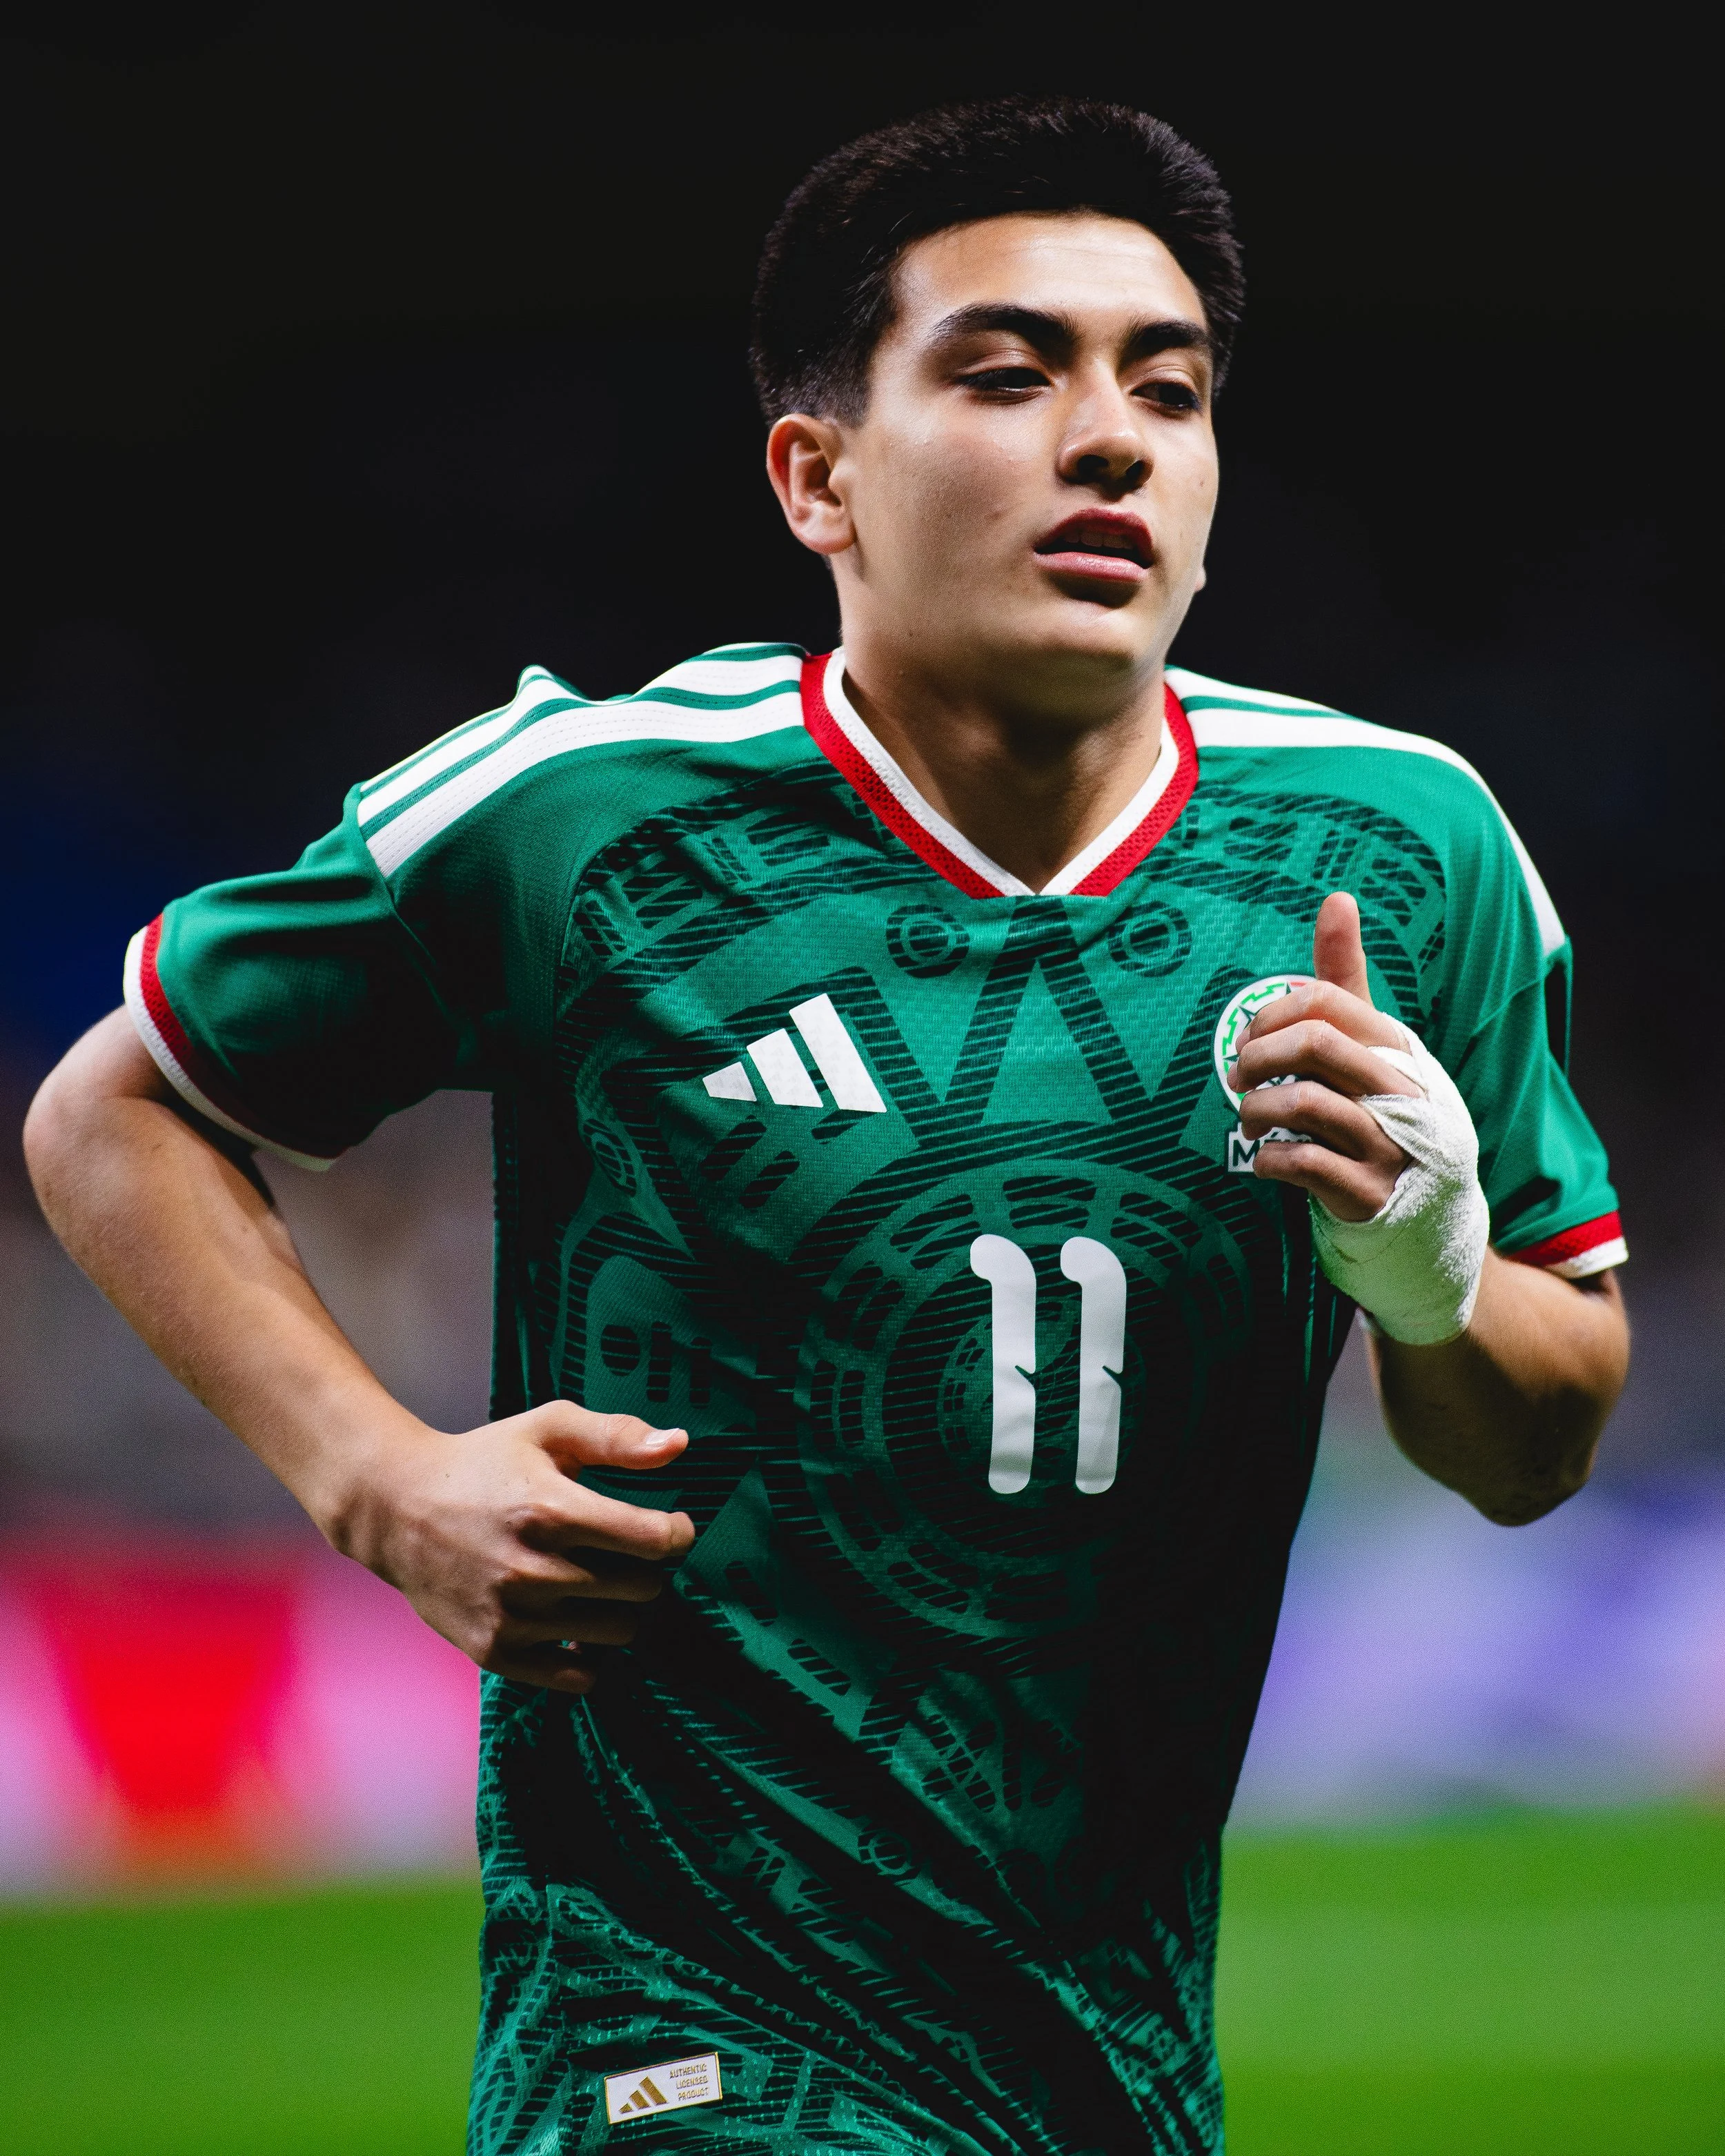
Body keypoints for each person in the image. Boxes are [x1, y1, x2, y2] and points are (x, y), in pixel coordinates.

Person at [25, 96, 1628, 2156]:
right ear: (818, 476)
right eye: (1005, 369)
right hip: (680, 2045)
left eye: (1170, 384)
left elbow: (1547, 1424)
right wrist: (377, 1482)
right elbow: (116, 1107)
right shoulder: (580, 817)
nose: (1111, 434)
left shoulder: (1398, 851)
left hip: (1115, 2064)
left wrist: (1422, 1271)